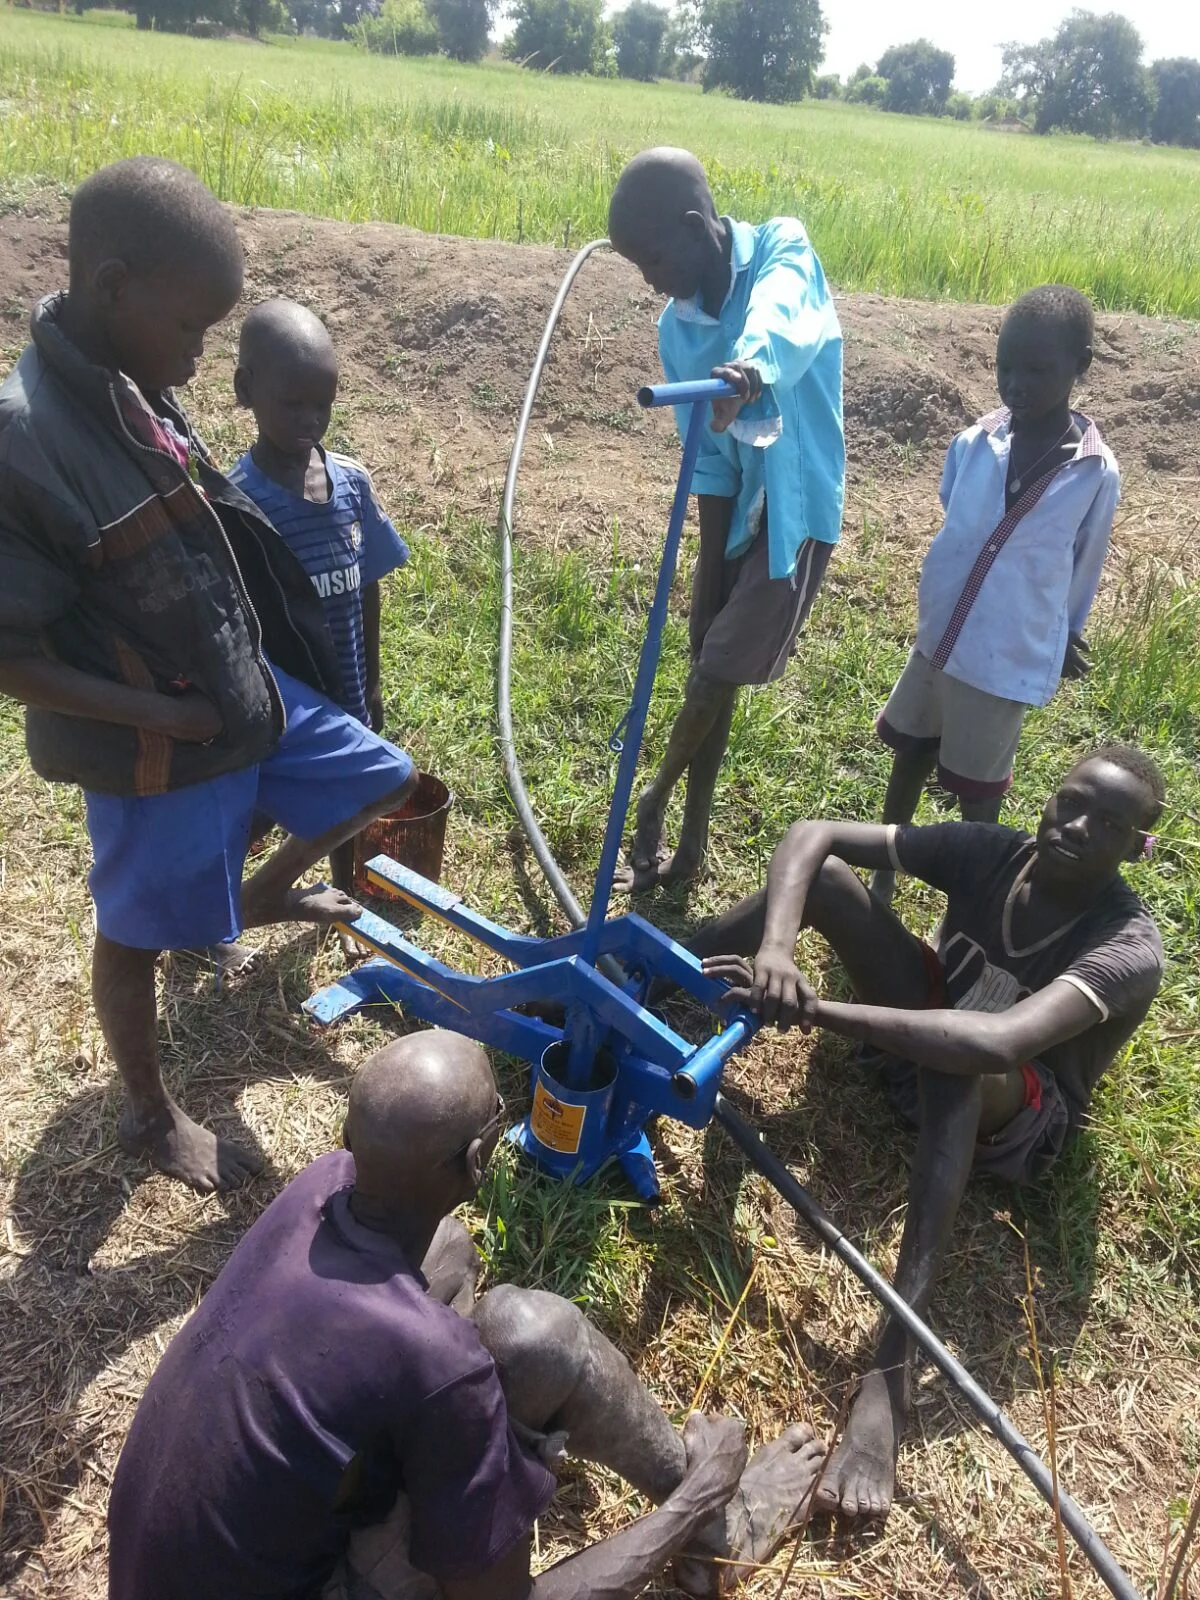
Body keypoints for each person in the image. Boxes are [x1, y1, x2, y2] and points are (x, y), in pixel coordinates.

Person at [0, 158, 417, 1193]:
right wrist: (157, 714)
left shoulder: (137, 384)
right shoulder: (27, 440)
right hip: (157, 743)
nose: (197, 357)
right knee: (135, 933)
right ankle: (149, 1114)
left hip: (240, 698)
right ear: (112, 286)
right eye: (190, 328)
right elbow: (11, 658)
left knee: (383, 775)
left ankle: (254, 896)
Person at [107, 1029, 829, 1600]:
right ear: (480, 1159)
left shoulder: (322, 1186)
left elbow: (436, 1285)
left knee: (459, 1262)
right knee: (541, 1339)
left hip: (162, 1569)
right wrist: (694, 1496)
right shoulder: (440, 1367)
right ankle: (719, 1526)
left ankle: (688, 1515)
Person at [689, 746, 1165, 1523]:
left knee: (962, 1058)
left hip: (1012, 1111)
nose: (1076, 827)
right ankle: (666, 964)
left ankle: (890, 1372)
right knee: (833, 885)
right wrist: (776, 947)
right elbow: (813, 835)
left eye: (1107, 824)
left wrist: (818, 1012)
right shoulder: (997, 853)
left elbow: (997, 1045)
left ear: (1136, 847)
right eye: (1070, 802)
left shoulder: (1128, 946)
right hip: (923, 1028)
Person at [606, 147, 844, 892]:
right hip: (736, 511)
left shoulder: (782, 247)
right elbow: (706, 460)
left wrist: (746, 369)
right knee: (712, 663)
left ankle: (652, 803)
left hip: (793, 512)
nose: (652, 280)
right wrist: (703, 585)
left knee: (711, 677)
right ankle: (694, 845)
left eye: (653, 260)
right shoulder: (676, 329)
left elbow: (780, 315)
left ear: (693, 225)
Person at [871, 284, 1119, 905]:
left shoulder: (1094, 472)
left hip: (1003, 655)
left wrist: (1067, 632)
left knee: (977, 791)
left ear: (1079, 367)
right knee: (912, 752)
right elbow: (956, 513)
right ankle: (881, 877)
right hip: (940, 636)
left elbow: (1083, 562)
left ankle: (971, 904)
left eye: (1037, 369)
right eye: (1005, 365)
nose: (1016, 383)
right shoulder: (974, 442)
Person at [230, 298, 410, 916]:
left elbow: (367, 586)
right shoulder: (242, 504)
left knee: (352, 791)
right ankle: (224, 911)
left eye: (323, 404)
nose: (311, 419)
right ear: (246, 390)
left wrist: (376, 683)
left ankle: (345, 889)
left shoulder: (352, 485)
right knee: (251, 811)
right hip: (286, 700)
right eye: (293, 403)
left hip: (349, 683)